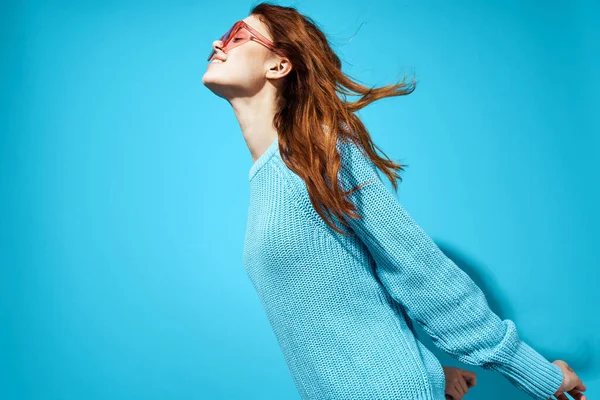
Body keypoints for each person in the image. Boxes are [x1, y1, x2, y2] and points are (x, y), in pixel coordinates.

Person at [202, 3, 587, 400]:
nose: (219, 42)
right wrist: (434, 370)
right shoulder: (268, 177)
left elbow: (419, 269)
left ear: (279, 65)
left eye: (237, 35)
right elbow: (332, 310)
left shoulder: (322, 151)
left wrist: (538, 374)